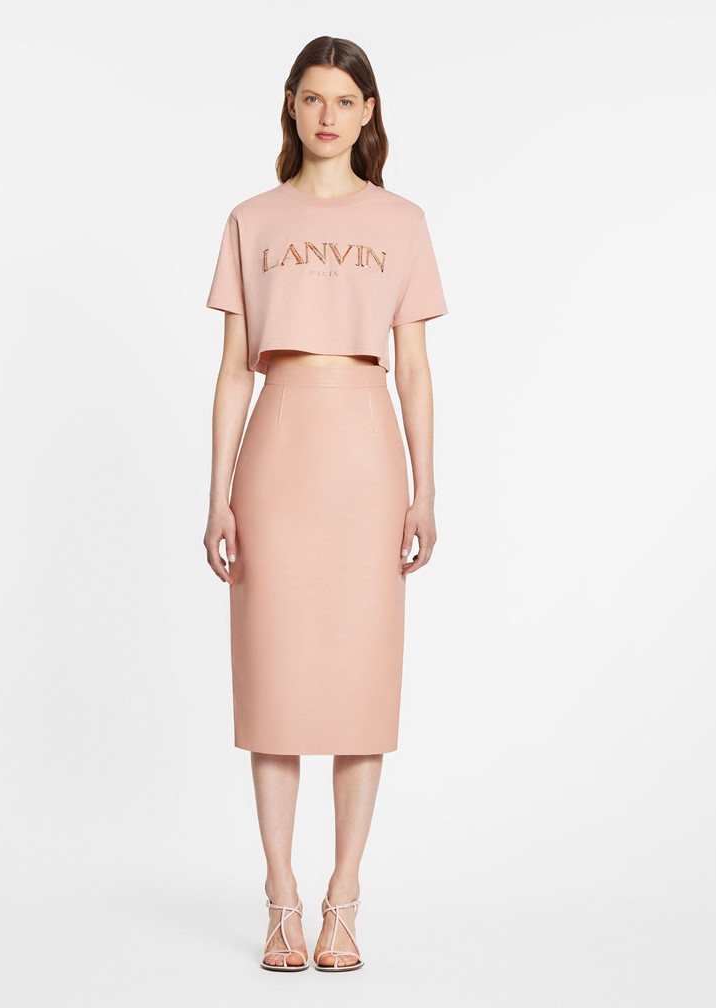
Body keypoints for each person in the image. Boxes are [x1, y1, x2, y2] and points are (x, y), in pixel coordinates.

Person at [203, 36, 448, 972]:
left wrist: (425, 489)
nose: (329, 116)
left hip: (366, 457)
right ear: (291, 106)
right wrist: (217, 496)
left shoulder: (403, 221)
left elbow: (414, 370)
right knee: (273, 685)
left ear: (368, 112)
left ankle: (344, 901)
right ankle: (281, 899)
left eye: (346, 100)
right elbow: (233, 370)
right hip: (277, 455)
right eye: (313, 98)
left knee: (358, 686)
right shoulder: (250, 219)